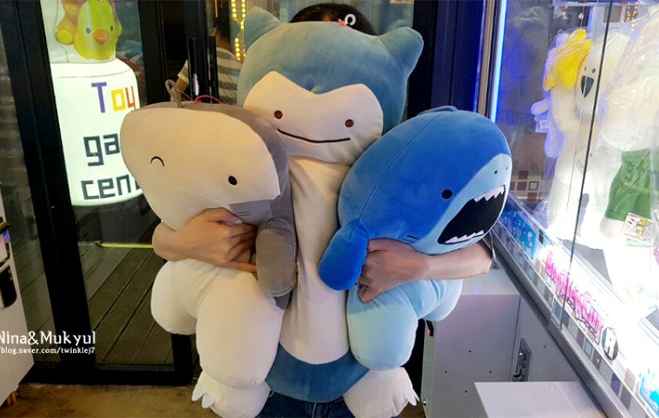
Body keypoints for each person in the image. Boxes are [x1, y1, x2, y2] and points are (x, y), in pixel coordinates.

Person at [152, 3, 493, 417]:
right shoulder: (245, 156)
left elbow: (480, 254)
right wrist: (185, 242)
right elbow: (166, 231)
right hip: (263, 376)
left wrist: (417, 266)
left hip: (357, 374)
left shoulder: (396, 161)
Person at [175, 15, 242, 104]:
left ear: (216, 32)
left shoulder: (197, 60)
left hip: (204, 112)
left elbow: (175, 93)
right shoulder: (240, 67)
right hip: (231, 113)